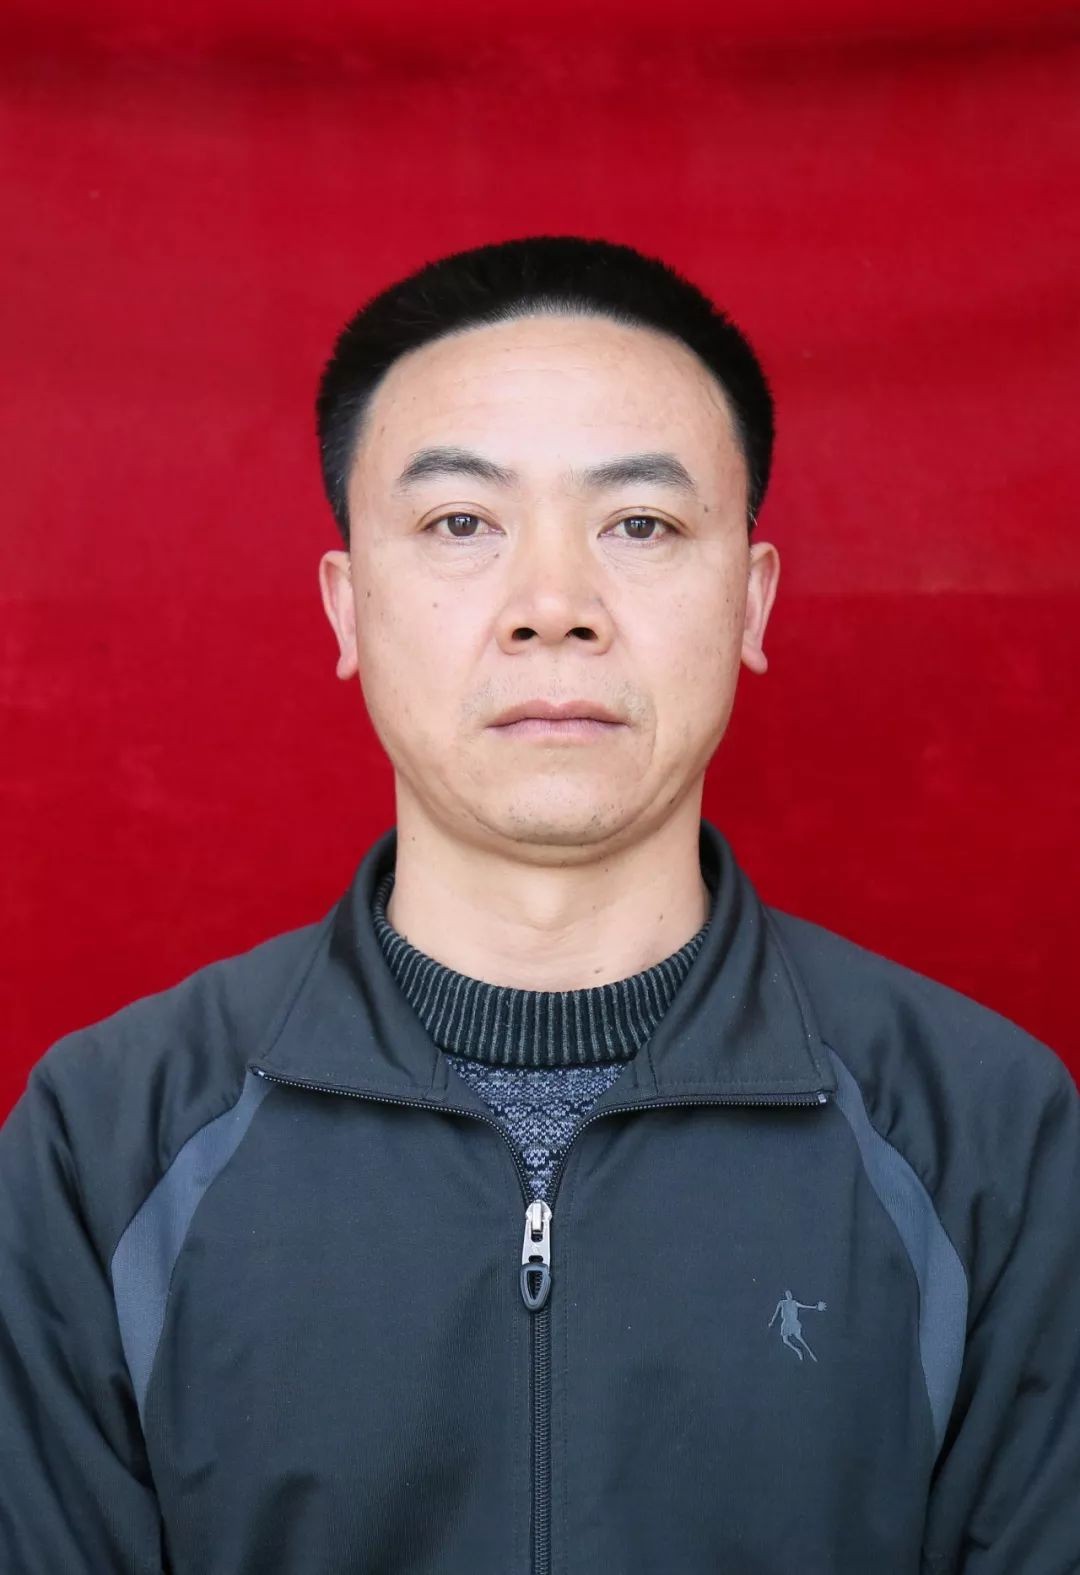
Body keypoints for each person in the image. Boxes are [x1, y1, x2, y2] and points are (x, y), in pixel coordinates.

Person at [1, 235, 1077, 1575]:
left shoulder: (987, 1138)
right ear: (348, 607)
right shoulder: (107, 1144)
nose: (554, 607)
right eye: (462, 523)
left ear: (751, 602)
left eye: (642, 525)